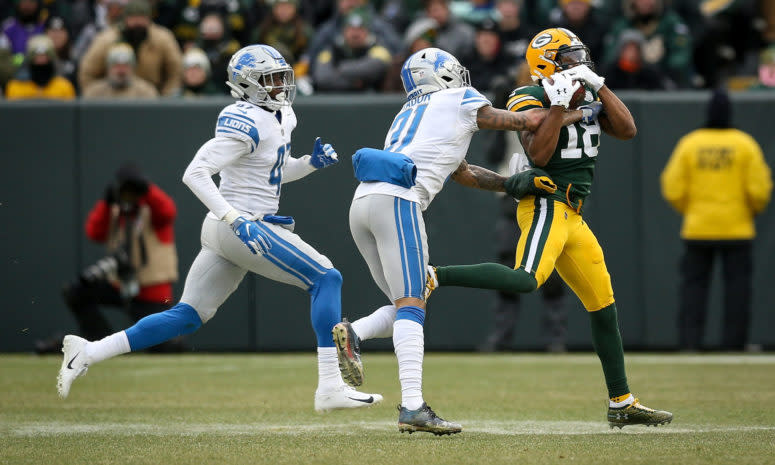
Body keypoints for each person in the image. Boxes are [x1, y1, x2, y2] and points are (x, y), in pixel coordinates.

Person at [57, 45, 383, 414]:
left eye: (281, 77)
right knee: (327, 277)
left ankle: (87, 350)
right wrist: (235, 218)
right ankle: (329, 388)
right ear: (247, 85)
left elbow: (271, 173)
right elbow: (195, 173)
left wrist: (308, 164)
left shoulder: (283, 114)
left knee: (188, 315)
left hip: (228, 227)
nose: (280, 86)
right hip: (239, 225)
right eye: (270, 80)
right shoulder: (243, 119)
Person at [423, 28, 673, 429]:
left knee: (603, 305)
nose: (578, 63)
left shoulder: (589, 92)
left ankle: (621, 401)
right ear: (547, 63)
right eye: (570, 57)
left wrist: (601, 87)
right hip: (544, 202)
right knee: (525, 279)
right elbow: (538, 152)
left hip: (573, 212)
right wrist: (558, 107)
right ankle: (433, 276)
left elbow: (627, 130)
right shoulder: (528, 96)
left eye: (580, 55)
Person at [333, 47, 589, 435]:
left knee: (405, 304)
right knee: (412, 305)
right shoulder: (459, 98)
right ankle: (413, 407)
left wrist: (509, 185)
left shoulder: (408, 114)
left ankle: (356, 333)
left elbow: (464, 173)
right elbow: (528, 120)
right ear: (444, 75)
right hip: (398, 201)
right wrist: (574, 112)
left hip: (363, 204)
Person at [660, 89, 772, 351]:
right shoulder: (745, 144)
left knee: (694, 289)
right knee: (737, 291)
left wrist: (691, 209)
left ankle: (690, 342)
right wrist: (750, 210)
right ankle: (733, 344)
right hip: (737, 228)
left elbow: (672, 187)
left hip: (698, 227)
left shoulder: (691, 143)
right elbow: (759, 189)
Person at [35, 163, 179, 354]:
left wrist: (147, 189)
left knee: (163, 348)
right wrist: (107, 202)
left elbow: (168, 210)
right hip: (119, 285)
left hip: (151, 291)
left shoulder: (153, 211)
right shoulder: (114, 211)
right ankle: (99, 341)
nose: (130, 196)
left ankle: (170, 343)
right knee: (76, 292)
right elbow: (94, 232)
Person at [78, 0, 183, 96]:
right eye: (134, 18)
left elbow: (176, 71)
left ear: (149, 19)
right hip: (114, 96)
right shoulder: (107, 39)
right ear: (125, 19)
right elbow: (87, 73)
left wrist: (165, 99)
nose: (138, 22)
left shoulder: (162, 38)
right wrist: (97, 98)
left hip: (152, 97)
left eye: (142, 18)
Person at [311, 8, 392, 92]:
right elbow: (322, 77)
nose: (355, 34)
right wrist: (355, 84)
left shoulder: (379, 48)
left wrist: (339, 68)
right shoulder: (330, 50)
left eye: (360, 29)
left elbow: (372, 69)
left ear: (367, 31)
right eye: (351, 29)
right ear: (343, 31)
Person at [5, 34, 76, 99]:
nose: (41, 60)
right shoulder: (16, 86)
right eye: (37, 56)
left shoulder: (64, 86)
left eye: (45, 56)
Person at [81, 42, 159, 98]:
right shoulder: (94, 93)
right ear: (108, 67)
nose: (121, 70)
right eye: (116, 65)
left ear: (133, 67)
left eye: (125, 65)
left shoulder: (146, 92)